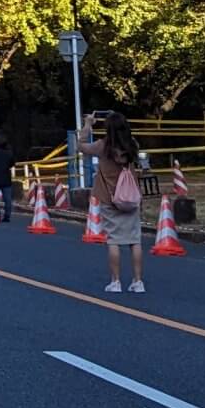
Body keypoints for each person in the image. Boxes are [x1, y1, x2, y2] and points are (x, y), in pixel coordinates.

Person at [89, 112, 147, 294]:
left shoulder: (103, 147)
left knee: (114, 240)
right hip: (131, 197)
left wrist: (87, 125)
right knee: (134, 240)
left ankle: (116, 282)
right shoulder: (133, 145)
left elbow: (82, 147)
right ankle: (138, 281)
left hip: (111, 198)